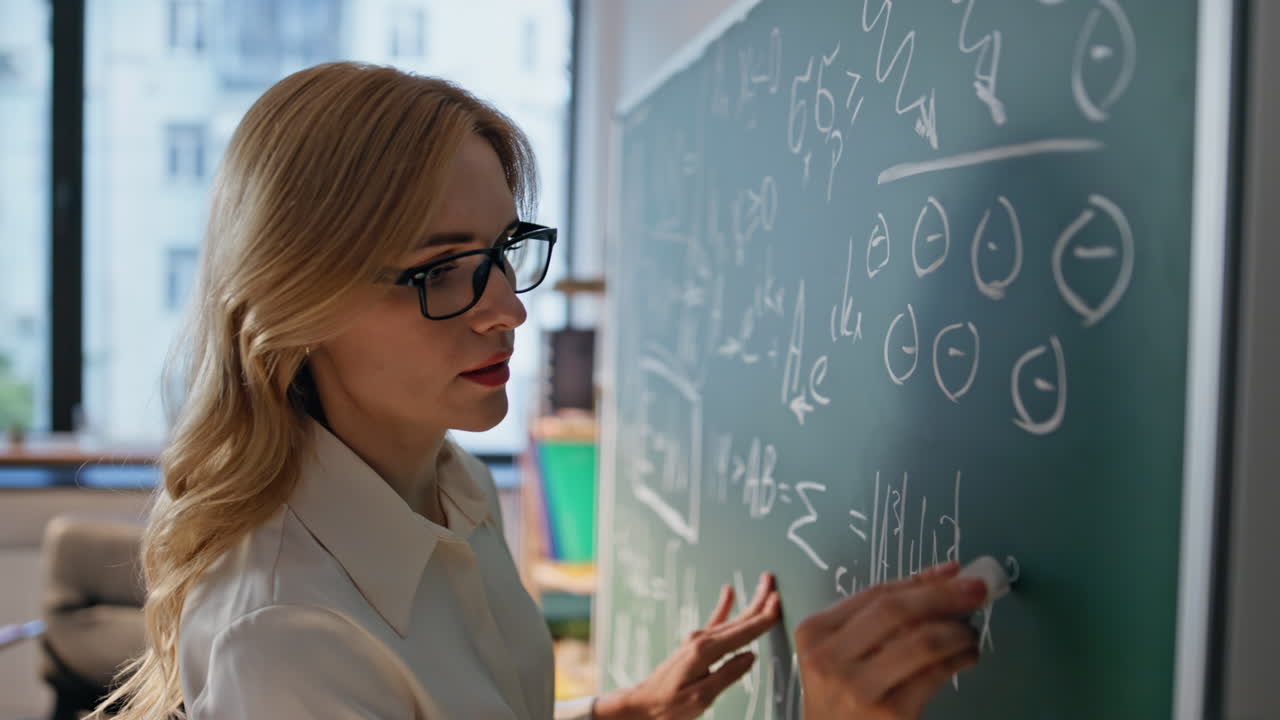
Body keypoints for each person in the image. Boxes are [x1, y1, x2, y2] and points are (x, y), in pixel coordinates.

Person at [95, 62, 988, 720]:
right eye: (443, 270)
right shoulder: (287, 636)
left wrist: (614, 715)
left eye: (502, 254)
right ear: (302, 301)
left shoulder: (450, 484)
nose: (508, 312)